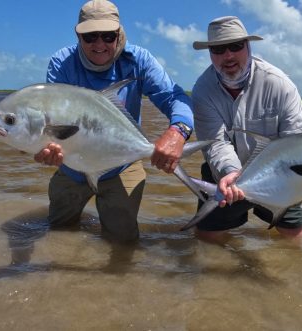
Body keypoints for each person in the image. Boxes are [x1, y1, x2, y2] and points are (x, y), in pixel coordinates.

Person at [34, 0, 194, 243]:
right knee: (58, 234)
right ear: (78, 36)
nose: (99, 44)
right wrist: (43, 147)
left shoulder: (139, 60)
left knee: (123, 242)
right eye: (90, 37)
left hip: (122, 166)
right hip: (73, 165)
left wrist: (178, 131)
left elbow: (174, 97)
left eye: (108, 36)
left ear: (119, 33)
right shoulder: (62, 63)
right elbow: (52, 119)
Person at [191, 16, 302, 241]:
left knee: (294, 241)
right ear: (210, 53)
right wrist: (231, 174)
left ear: (248, 46)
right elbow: (216, 143)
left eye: (235, 46)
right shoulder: (202, 90)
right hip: (225, 175)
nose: (228, 55)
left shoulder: (280, 85)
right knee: (206, 241)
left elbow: (297, 145)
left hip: (281, 176)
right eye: (218, 49)